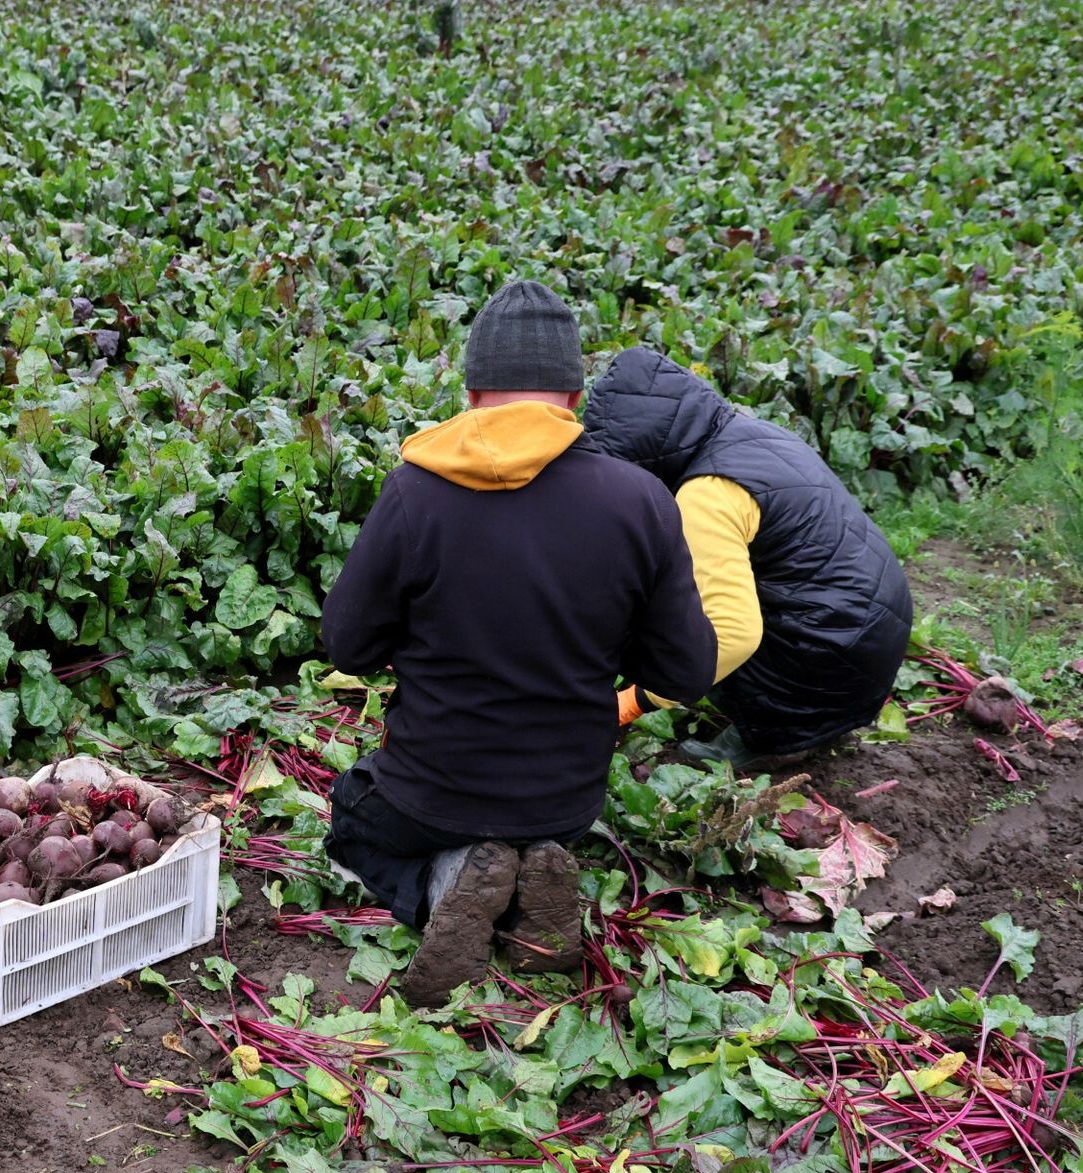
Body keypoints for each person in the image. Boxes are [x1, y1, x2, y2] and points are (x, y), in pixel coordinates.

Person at [321, 282, 717, 1006]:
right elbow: (686, 672)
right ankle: (532, 879)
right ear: (574, 394)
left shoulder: (416, 492)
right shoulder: (642, 502)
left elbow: (346, 646)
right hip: (567, 801)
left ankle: (450, 882)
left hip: (428, 794)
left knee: (352, 817)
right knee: (528, 825)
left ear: (472, 391)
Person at [585, 347, 913, 769]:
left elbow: (734, 633)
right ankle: (807, 710)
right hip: (873, 626)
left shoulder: (707, 494)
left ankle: (774, 737)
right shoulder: (749, 434)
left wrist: (637, 699)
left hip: (833, 651)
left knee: (694, 626)